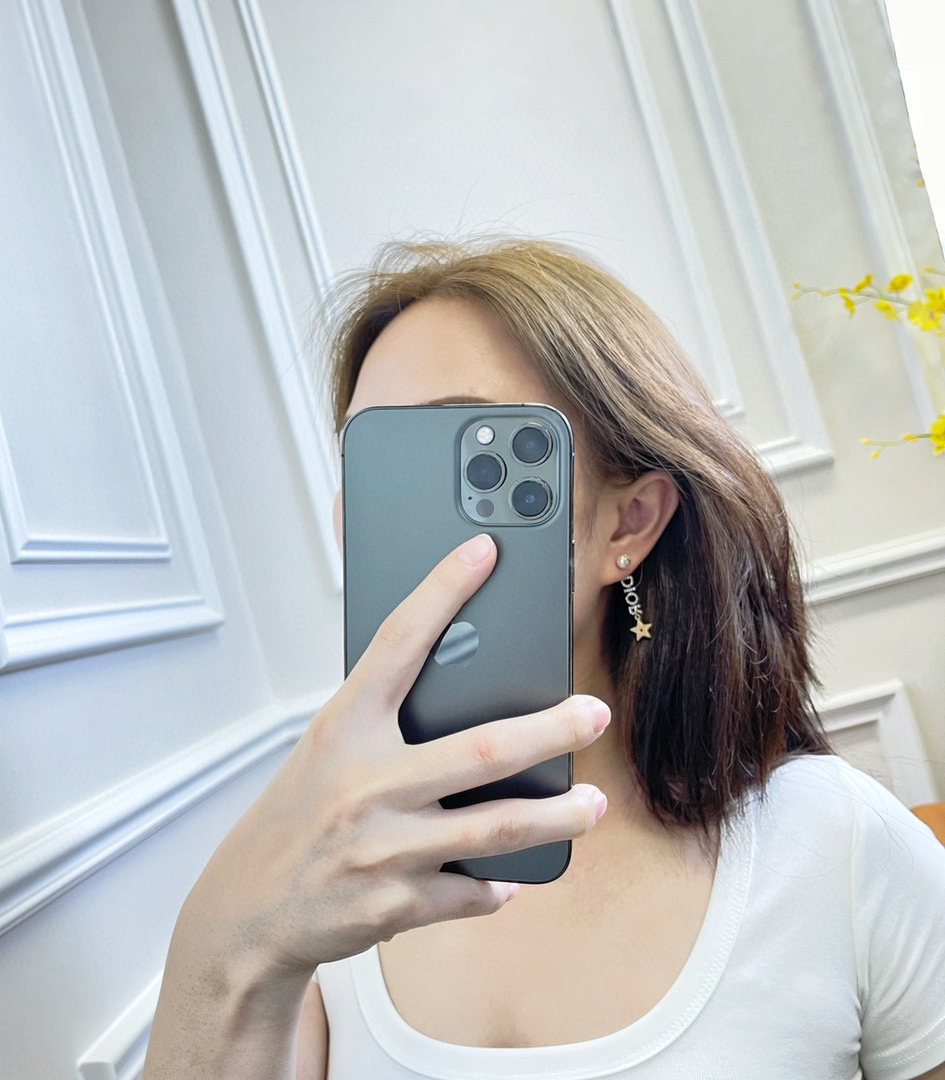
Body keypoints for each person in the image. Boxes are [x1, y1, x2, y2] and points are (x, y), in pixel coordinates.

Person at [142, 239, 945, 1080]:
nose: (392, 517)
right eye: (371, 460)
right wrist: (228, 941)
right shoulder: (330, 880)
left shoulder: (834, 842)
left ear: (629, 522)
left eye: (459, 452)